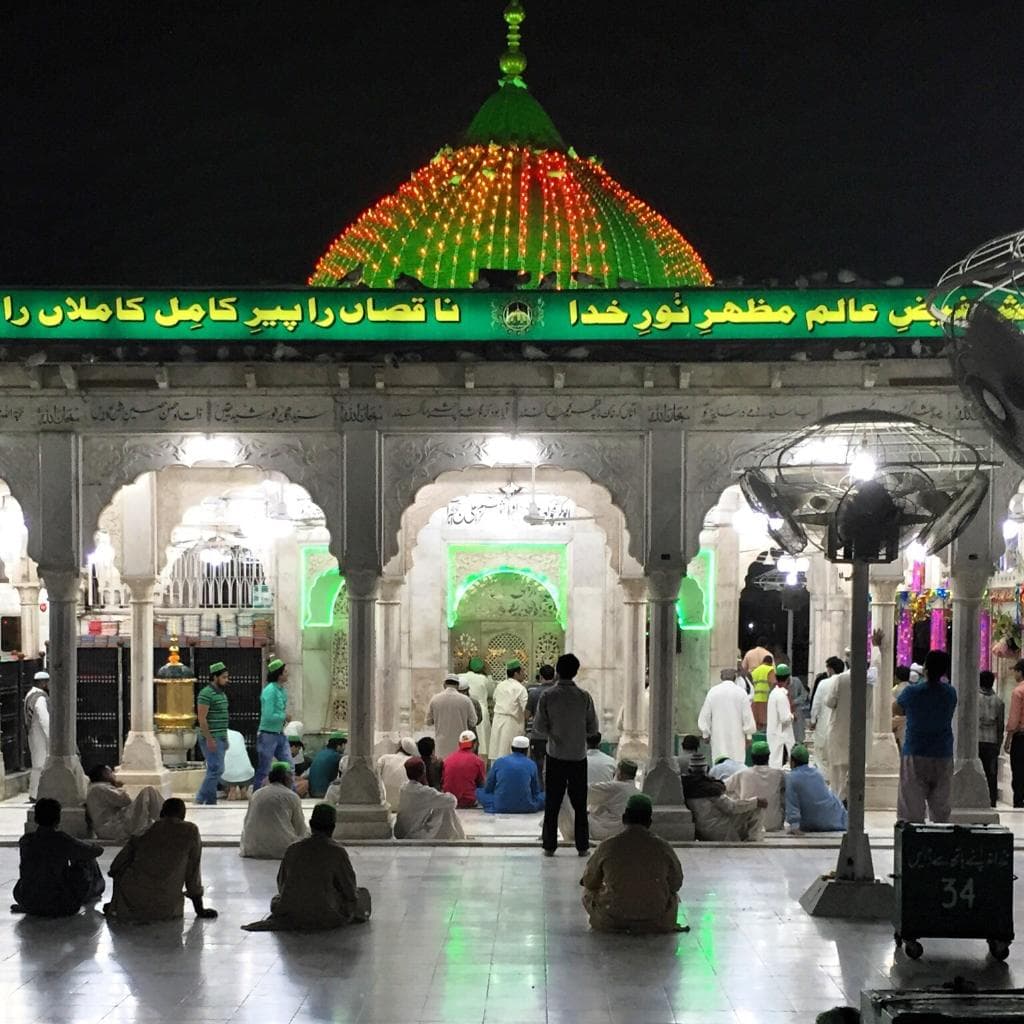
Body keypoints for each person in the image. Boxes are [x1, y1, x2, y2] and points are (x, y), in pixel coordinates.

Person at [242, 803, 371, 931]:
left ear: (311, 824)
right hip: (326, 914)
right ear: (332, 827)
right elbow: (349, 889)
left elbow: (282, 884)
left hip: (292, 913)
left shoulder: (293, 849)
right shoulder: (337, 852)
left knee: (277, 900)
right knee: (362, 895)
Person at [580, 793, 684, 934]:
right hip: (656, 920)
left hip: (612, 920)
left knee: (587, 892)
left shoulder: (608, 846)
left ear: (624, 818)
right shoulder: (663, 847)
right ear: (649, 822)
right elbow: (676, 883)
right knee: (673, 897)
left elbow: (589, 881)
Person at [105, 798, 217, 923]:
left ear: (161, 813)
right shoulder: (190, 831)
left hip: (132, 902)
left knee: (122, 869)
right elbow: (193, 874)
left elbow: (115, 866)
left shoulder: (144, 831)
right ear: (183, 816)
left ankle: (116, 905)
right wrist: (200, 910)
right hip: (166, 905)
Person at [534, 652, 599, 856]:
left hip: (555, 756)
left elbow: (539, 728)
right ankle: (582, 846)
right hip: (578, 757)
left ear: (557, 671)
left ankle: (549, 846)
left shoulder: (548, 696)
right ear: (575, 672)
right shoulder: (584, 696)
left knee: (553, 802)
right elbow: (593, 729)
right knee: (579, 804)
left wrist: (556, 733)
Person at [12, 798, 104, 916]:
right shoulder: (61, 840)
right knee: (86, 858)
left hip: (26, 899)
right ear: (58, 819)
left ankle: (36, 905)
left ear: (36, 818)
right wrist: (82, 844)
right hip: (60, 904)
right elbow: (97, 851)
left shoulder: (26, 840)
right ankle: (95, 889)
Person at [896, 649, 957, 823]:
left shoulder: (912, 692)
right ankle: (940, 836)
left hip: (915, 751)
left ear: (925, 668)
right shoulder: (950, 693)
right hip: (943, 752)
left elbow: (896, 708)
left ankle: (913, 836)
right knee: (941, 806)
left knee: (911, 806)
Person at [826, 639, 882, 799]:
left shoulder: (840, 679)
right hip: (860, 734)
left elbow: (830, 702)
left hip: (840, 732)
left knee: (838, 777)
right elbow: (877, 664)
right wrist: (877, 646)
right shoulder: (869, 680)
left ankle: (839, 804)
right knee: (856, 773)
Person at [682, 753, 764, 841]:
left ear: (689, 770)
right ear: (707, 769)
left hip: (701, 832)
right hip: (720, 829)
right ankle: (754, 842)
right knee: (756, 808)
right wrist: (755, 802)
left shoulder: (686, 787)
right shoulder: (710, 789)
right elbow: (731, 808)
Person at [239, 761, 309, 859]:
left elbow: (247, 822)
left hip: (251, 848)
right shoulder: (291, 796)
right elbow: (300, 828)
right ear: (287, 778)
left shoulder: (257, 794)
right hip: (282, 850)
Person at [85, 764, 163, 842]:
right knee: (149, 791)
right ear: (104, 774)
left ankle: (164, 821)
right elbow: (125, 800)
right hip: (113, 827)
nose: (114, 775)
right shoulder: (100, 788)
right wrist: (119, 787)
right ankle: (166, 821)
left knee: (147, 811)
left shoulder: (95, 788)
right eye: (111, 772)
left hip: (115, 824)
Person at [558, 733, 615, 840]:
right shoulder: (611, 761)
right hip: (601, 816)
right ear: (599, 743)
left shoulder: (574, 761)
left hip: (576, 815)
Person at [394, 757, 466, 840]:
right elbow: (453, 801)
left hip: (399, 833)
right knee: (446, 808)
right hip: (415, 835)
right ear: (423, 773)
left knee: (441, 803)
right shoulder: (425, 792)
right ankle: (459, 838)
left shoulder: (403, 787)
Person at [785, 744, 848, 834]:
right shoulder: (817, 773)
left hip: (813, 822)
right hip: (835, 817)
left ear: (792, 762)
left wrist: (794, 826)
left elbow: (792, 805)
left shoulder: (791, 778)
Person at [697, 668, 756, 764]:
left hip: (718, 736)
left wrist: (705, 733)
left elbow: (705, 715)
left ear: (721, 677)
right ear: (735, 678)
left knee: (719, 764)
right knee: (737, 765)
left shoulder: (713, 692)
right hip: (737, 738)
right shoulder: (741, 693)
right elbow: (747, 717)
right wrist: (749, 736)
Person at [726, 740, 785, 831]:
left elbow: (721, 787)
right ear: (768, 756)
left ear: (752, 757)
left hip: (749, 825)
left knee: (731, 793)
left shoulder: (742, 774)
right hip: (773, 824)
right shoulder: (778, 774)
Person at [478, 735, 545, 813]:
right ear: (527, 750)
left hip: (500, 806)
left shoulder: (499, 761)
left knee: (479, 791)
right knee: (544, 796)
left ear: (512, 748)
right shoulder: (531, 764)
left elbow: (488, 787)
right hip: (527, 806)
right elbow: (535, 792)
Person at [195, 661, 230, 805]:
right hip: (211, 737)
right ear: (215, 677)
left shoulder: (221, 694)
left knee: (215, 769)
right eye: (224, 677)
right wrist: (209, 739)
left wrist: (225, 738)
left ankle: (208, 800)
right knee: (216, 769)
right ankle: (202, 798)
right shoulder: (206, 694)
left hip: (220, 736)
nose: (227, 680)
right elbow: (202, 718)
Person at [254, 658, 292, 790]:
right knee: (264, 769)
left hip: (279, 733)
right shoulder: (270, 691)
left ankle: (290, 795)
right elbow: (268, 715)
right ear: (279, 674)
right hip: (268, 735)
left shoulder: (281, 690)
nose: (287, 674)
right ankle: (258, 795)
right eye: (285, 672)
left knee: (289, 766)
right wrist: (284, 716)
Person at [426, 673, 477, 759]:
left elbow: (428, 722)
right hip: (461, 745)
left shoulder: (435, 699)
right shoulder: (466, 700)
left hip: (441, 746)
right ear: (457, 685)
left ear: (444, 685)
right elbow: (473, 722)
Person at [587, 759, 640, 841]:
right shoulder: (637, 792)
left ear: (620, 773)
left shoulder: (617, 787)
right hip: (624, 831)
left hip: (607, 831)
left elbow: (588, 791)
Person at [811, 658, 844, 785]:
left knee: (821, 755)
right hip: (840, 725)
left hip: (823, 725)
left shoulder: (824, 683)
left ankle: (823, 782)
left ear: (830, 669)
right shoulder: (846, 682)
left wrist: (813, 720)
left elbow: (816, 703)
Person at [489, 660, 529, 762]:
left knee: (498, 752)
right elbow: (526, 709)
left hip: (497, 721)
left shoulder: (500, 686)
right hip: (512, 724)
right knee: (510, 753)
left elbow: (495, 699)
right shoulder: (520, 688)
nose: (524, 674)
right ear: (516, 673)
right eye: (522, 671)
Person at [978, 669, 1005, 808]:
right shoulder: (999, 701)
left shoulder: (974, 699)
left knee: (977, 771)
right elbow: (1000, 725)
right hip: (992, 740)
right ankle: (992, 800)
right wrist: (999, 743)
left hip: (977, 740)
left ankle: (977, 799)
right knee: (991, 773)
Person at [526, 663, 556, 778]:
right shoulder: (559, 693)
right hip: (555, 736)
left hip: (538, 735)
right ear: (554, 676)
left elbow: (526, 715)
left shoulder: (533, 693)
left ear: (541, 676)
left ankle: (538, 787)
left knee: (537, 767)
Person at [24, 670, 50, 801]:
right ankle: (36, 794)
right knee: (41, 765)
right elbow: (44, 720)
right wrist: (51, 737)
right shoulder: (40, 698)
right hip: (40, 735)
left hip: (34, 734)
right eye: (47, 682)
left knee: (37, 764)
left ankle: (34, 793)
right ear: (43, 683)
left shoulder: (30, 694)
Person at [442, 730, 486, 808]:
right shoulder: (478, 761)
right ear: (475, 744)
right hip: (469, 801)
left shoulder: (447, 760)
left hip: (449, 800)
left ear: (459, 744)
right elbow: (482, 784)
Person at [459, 657, 493, 754]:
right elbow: (491, 693)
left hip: (463, 709)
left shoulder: (460, 676)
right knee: (482, 739)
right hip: (481, 709)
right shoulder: (483, 679)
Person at [767, 664, 796, 768]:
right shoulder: (781, 696)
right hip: (782, 738)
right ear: (788, 679)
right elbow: (785, 718)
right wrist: (793, 716)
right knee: (780, 765)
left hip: (775, 736)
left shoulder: (774, 693)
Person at [377, 737, 418, 811]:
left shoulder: (384, 758)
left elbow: (376, 777)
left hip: (386, 806)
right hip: (407, 807)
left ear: (399, 747)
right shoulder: (415, 762)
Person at [1004, 659, 1024, 807]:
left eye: (1015, 671)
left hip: (1021, 737)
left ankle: (1019, 800)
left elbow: (1014, 719)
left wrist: (1008, 740)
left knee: (1018, 769)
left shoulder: (1018, 692)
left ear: (1020, 672)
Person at [306, 732, 347, 799]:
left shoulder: (321, 753)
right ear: (339, 745)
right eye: (344, 745)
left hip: (312, 792)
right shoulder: (336, 756)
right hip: (324, 792)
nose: (344, 748)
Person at [222, 728, 255, 800]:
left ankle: (232, 788)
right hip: (248, 774)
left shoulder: (217, 735)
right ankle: (243, 789)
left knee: (214, 768)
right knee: (241, 764)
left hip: (227, 776)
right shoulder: (238, 734)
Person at [750, 654, 775, 730]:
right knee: (765, 723)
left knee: (757, 724)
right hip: (765, 699)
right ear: (770, 663)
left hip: (755, 699)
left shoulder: (755, 671)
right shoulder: (770, 669)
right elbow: (773, 683)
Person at [891, 665, 912, 750]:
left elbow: (894, 708)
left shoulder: (896, 691)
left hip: (901, 718)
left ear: (896, 677)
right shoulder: (912, 688)